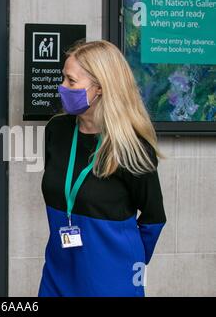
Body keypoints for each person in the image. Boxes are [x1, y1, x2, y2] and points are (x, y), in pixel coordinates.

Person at [39, 40, 166, 297]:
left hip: (111, 278)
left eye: (71, 81)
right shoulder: (57, 130)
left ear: (99, 88)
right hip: (58, 271)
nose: (61, 87)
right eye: (63, 78)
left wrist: (125, 262)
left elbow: (153, 218)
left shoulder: (132, 146)